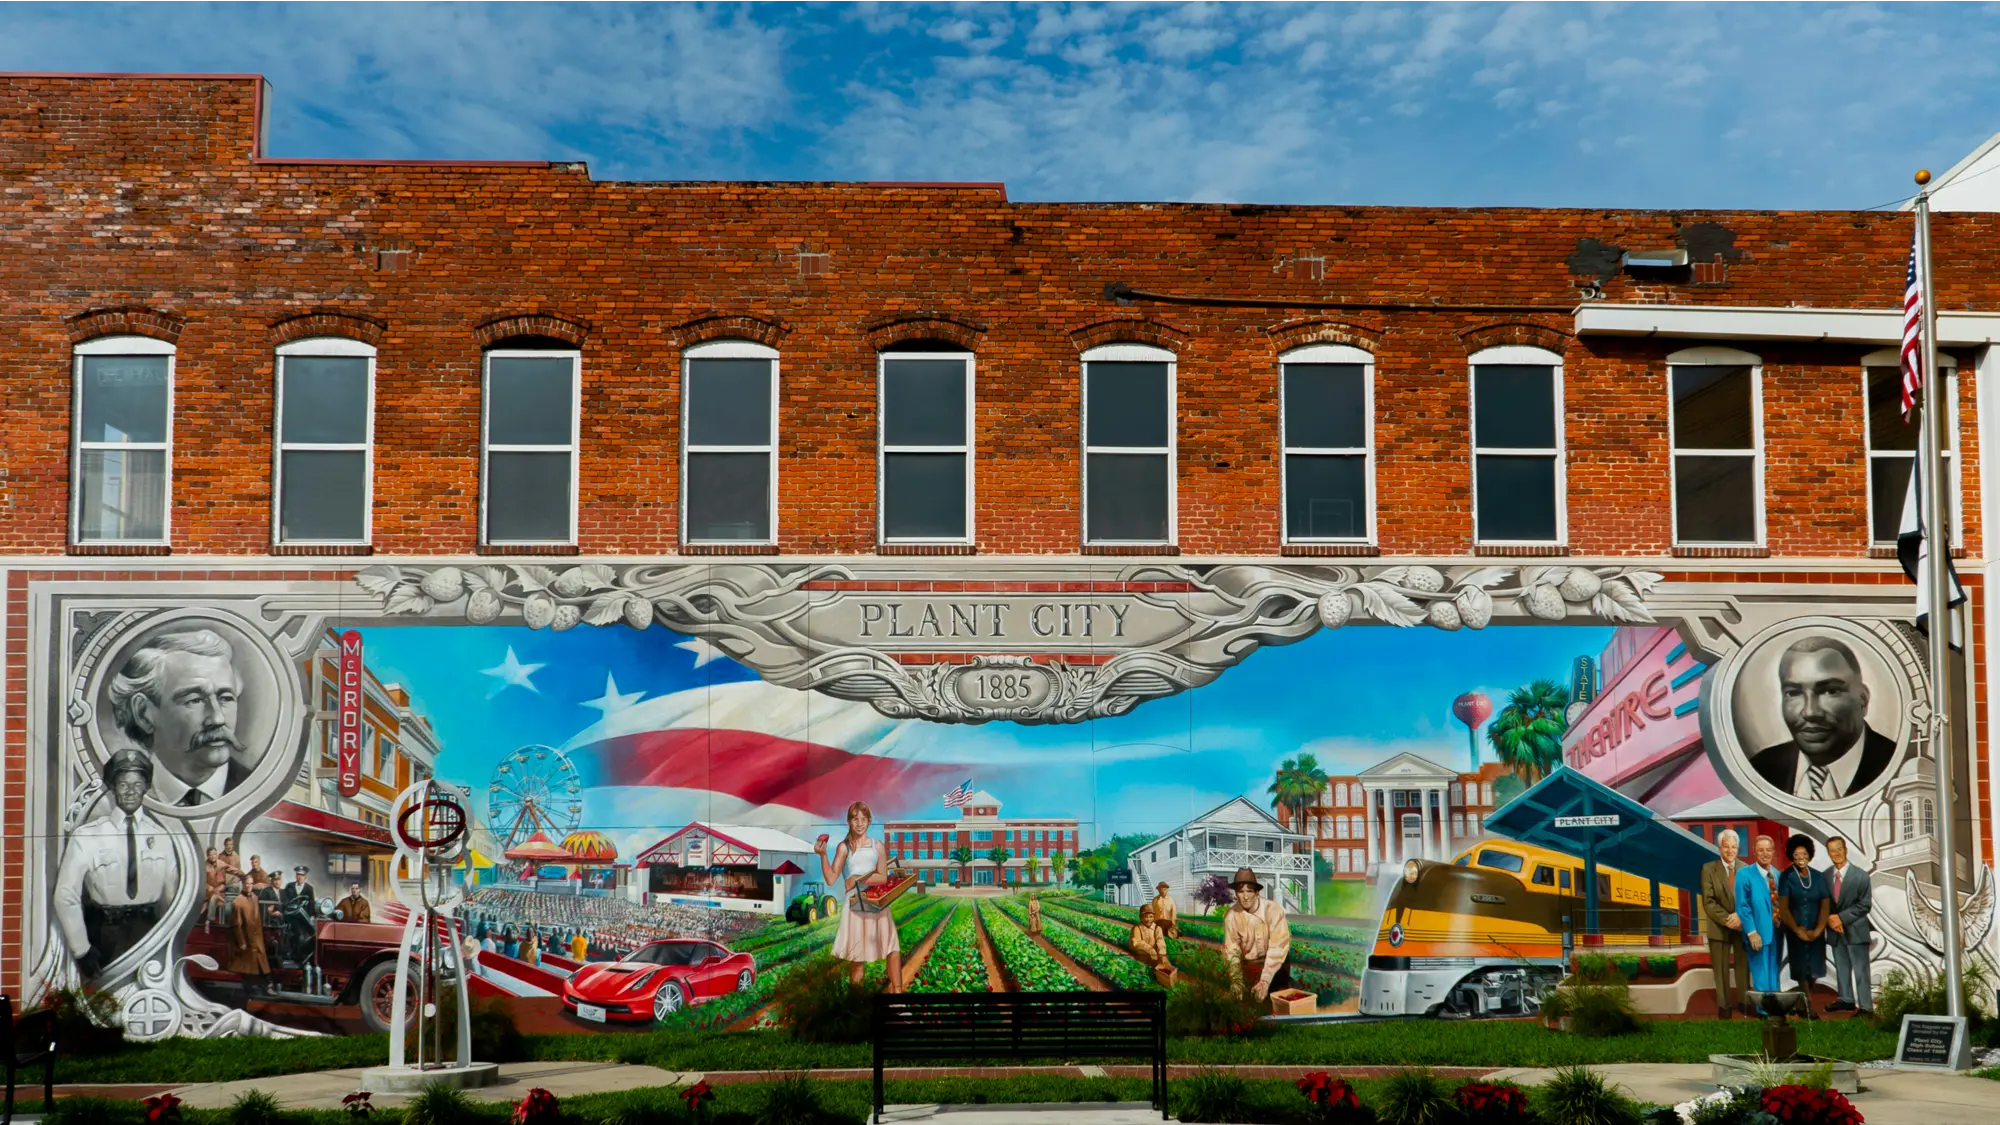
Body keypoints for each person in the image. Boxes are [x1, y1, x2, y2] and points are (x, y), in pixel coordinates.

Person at [52, 750, 177, 979]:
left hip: (150, 932)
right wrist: (82, 950)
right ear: (112, 787)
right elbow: (65, 895)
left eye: (137, 784)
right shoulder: (87, 836)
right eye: (123, 784)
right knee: (107, 1005)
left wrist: (167, 940)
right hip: (105, 934)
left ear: (146, 787)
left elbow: (171, 897)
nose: (130, 791)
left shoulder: (161, 837)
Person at [106, 628, 254, 804]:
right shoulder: (106, 800)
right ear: (143, 713)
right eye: (195, 700)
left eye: (226, 698)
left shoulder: (262, 791)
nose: (217, 719)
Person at [1751, 637, 1896, 800]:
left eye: (1830, 691)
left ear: (1862, 698)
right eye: (1793, 693)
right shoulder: (1760, 770)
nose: (1810, 712)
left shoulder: (1900, 766)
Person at [817, 800, 903, 992]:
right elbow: (831, 879)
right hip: (855, 905)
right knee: (857, 956)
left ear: (869, 821)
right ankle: (857, 1001)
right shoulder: (844, 847)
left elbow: (882, 877)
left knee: (892, 946)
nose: (859, 823)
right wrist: (823, 855)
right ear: (849, 821)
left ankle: (898, 993)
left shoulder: (877, 846)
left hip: (876, 900)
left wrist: (857, 878)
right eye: (855, 818)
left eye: (863, 819)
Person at [1776, 833, 1831, 1013]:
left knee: (1814, 970)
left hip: (1816, 931)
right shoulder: (1787, 877)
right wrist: (1797, 929)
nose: (1801, 858)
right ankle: (1808, 1007)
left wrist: (1819, 929)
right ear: (1792, 855)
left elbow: (1825, 905)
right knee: (1801, 971)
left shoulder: (1818, 876)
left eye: (1804, 854)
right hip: (1795, 931)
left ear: (1810, 854)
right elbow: (1783, 908)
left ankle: (1802, 1002)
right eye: (1797, 855)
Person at [1698, 828, 1749, 1019]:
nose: (1730, 850)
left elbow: (1750, 899)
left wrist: (1740, 917)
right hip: (1719, 927)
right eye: (1726, 846)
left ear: (1738, 848)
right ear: (1719, 848)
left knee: (1743, 966)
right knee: (1721, 969)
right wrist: (1728, 920)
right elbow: (1708, 901)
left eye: (1734, 847)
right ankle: (1724, 1005)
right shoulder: (1708, 869)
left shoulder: (1746, 869)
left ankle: (1745, 1002)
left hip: (1742, 925)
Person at [1220, 867, 1291, 1001]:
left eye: (1249, 891)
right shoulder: (1231, 916)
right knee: (1248, 1001)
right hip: (1250, 964)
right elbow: (1232, 950)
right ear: (1236, 893)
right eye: (1241, 891)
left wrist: (1265, 981)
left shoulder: (1273, 910)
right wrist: (1236, 981)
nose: (1245, 896)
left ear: (1257, 893)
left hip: (1275, 965)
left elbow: (1277, 948)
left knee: (1278, 998)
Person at [1823, 836, 1873, 1016]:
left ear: (1845, 850)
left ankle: (1866, 1007)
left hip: (1856, 930)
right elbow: (1823, 903)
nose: (1835, 853)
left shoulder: (1861, 875)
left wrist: (1840, 918)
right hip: (1835, 931)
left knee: (1861, 970)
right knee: (1841, 967)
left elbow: (1865, 905)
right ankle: (1846, 999)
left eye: (1838, 849)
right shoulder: (1825, 876)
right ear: (1828, 853)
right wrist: (1830, 918)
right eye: (1831, 850)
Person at [1734, 835, 1782, 995]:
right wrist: (1751, 932)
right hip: (1758, 934)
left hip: (1778, 932)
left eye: (1768, 850)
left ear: (1773, 852)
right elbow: (1742, 906)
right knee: (1761, 973)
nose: (1765, 853)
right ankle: (1765, 1010)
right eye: (1761, 850)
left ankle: (1776, 1007)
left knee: (1775, 972)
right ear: (1754, 852)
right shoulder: (1744, 874)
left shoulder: (1779, 875)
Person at [226, 872, 272, 998]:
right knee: (248, 968)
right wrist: (241, 942)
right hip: (246, 939)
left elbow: (257, 919)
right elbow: (237, 925)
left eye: (251, 884)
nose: (249, 886)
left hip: (257, 938)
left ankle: (266, 987)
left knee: (261, 964)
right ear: (242, 884)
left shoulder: (255, 898)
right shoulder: (237, 902)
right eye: (247, 884)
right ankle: (252, 991)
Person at [281, 865, 321, 967]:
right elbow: (284, 900)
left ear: (305, 877)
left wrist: (311, 916)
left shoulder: (309, 888)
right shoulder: (289, 886)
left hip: (303, 918)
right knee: (292, 932)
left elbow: (311, 904)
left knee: (305, 934)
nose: (299, 877)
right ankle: (289, 953)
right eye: (298, 875)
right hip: (291, 917)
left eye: (302, 875)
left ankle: (301, 956)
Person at [1128, 904, 1177, 987]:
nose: (1148, 919)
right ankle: (1148, 973)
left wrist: (1162, 954)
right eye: (1146, 917)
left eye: (1151, 917)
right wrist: (1151, 950)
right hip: (1141, 951)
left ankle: (1163, 976)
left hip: (1154, 952)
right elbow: (1137, 943)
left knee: (1163, 961)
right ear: (1141, 917)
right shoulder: (1137, 928)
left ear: (1154, 917)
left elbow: (1160, 941)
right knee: (1144, 959)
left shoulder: (1157, 928)